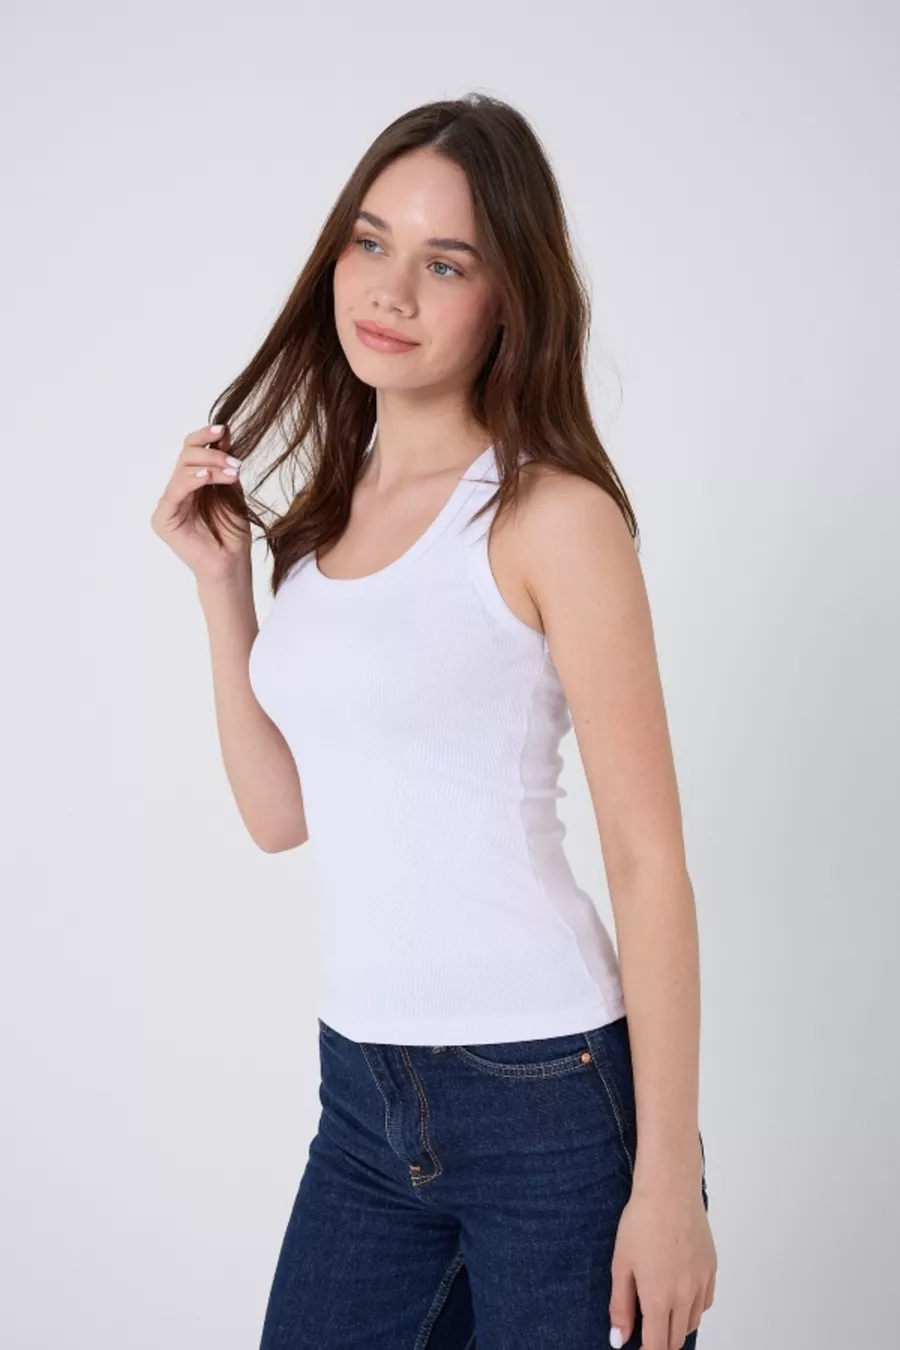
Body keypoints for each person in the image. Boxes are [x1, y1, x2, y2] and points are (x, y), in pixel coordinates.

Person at [151, 92, 717, 1350]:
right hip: (363, 1094)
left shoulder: (550, 516)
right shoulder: (323, 523)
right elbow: (280, 816)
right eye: (371, 241)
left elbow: (647, 860)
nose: (391, 290)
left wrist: (669, 1181)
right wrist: (223, 590)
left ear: (509, 298)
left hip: (548, 1094)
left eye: (445, 262)